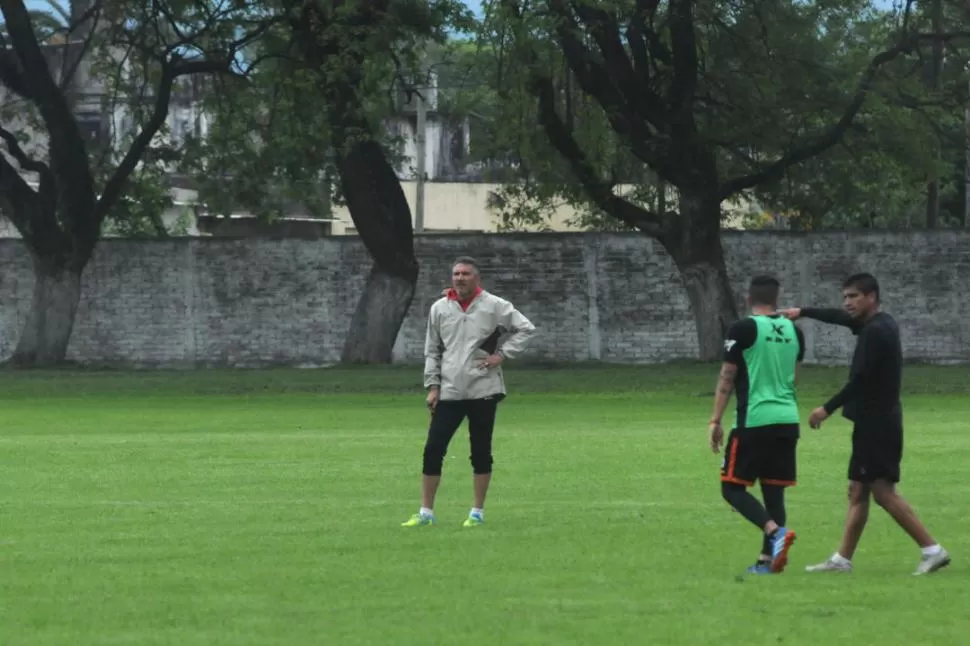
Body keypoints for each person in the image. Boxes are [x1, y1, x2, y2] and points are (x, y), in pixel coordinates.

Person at [779, 272, 950, 575]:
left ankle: (932, 549)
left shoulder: (875, 333)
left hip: (877, 425)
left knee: (882, 491)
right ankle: (841, 560)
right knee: (857, 491)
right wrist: (803, 312)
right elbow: (838, 318)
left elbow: (860, 380)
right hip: (876, 422)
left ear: (871, 297)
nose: (847, 303)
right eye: (845, 297)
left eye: (854, 297)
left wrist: (826, 409)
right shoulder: (880, 323)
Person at [402, 256, 537, 528]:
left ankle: (477, 512)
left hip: (483, 389)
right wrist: (432, 386)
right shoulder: (440, 308)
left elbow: (526, 329)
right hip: (449, 391)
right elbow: (432, 350)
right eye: (456, 274)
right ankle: (426, 512)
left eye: (465, 274)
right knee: (433, 449)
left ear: (477, 278)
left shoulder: (494, 306)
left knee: (480, 451)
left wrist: (501, 355)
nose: (460, 278)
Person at [709, 275, 804, 575]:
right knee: (773, 492)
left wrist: (715, 419)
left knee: (731, 489)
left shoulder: (743, 328)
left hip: (755, 420)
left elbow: (727, 376)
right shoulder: (795, 331)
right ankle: (767, 561)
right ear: (777, 299)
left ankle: (775, 533)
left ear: (748, 299)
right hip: (788, 420)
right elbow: (793, 376)